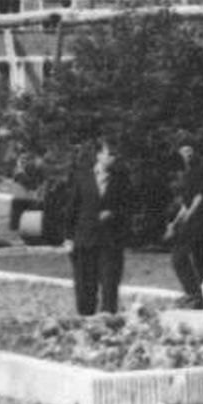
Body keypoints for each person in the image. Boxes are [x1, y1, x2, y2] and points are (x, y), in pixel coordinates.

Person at [65, 134, 131, 316]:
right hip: (84, 239)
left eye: (115, 155)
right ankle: (85, 319)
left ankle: (108, 320)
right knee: (85, 285)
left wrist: (114, 214)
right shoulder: (82, 177)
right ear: (99, 156)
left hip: (110, 242)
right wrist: (68, 237)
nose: (113, 158)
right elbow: (71, 208)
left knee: (109, 284)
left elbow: (129, 208)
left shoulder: (121, 180)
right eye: (109, 154)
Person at [164, 132, 203, 309]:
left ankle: (199, 294)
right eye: (184, 150)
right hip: (191, 221)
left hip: (201, 221)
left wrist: (186, 218)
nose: (188, 154)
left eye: (190, 150)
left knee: (187, 258)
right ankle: (198, 295)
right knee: (196, 260)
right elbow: (186, 203)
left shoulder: (201, 169)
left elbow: (198, 199)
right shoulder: (186, 173)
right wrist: (174, 223)